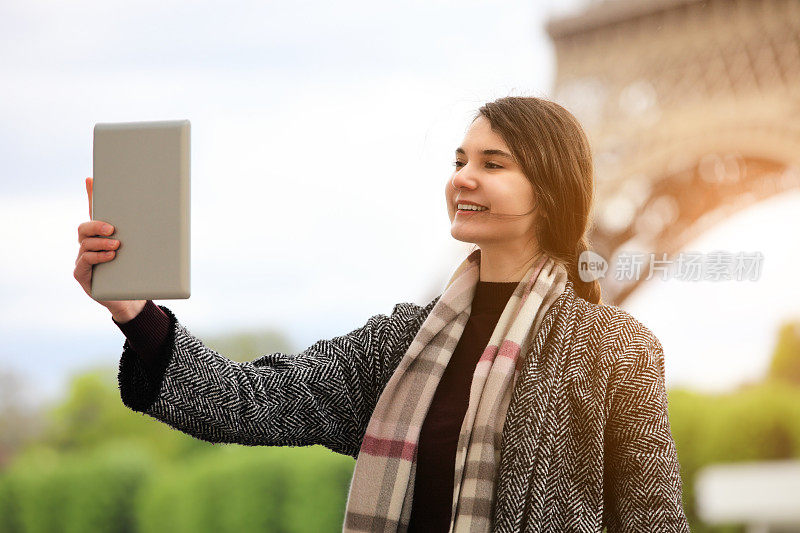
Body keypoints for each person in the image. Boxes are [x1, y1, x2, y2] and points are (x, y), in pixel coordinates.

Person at [74, 96, 690, 532]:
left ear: (551, 189)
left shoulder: (614, 348)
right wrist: (136, 315)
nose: (463, 179)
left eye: (492, 164)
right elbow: (251, 402)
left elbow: (652, 521)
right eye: (459, 162)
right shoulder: (402, 342)